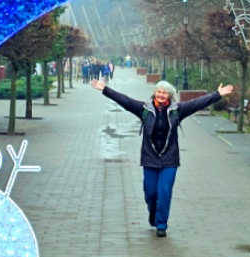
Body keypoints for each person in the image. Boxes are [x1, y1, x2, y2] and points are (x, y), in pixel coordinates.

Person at [90, 78, 233, 237]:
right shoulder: (144, 109)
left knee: (164, 192)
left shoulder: (177, 110)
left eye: (165, 93)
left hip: (169, 159)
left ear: (170, 95)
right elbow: (125, 100)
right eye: (159, 92)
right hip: (150, 158)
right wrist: (105, 89)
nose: (161, 95)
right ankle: (153, 212)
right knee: (150, 193)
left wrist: (217, 94)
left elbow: (197, 103)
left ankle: (161, 225)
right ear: (155, 93)